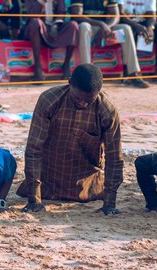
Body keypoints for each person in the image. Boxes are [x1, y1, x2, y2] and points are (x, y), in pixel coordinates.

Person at [19, 64, 123, 215]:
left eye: (89, 100)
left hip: (87, 187)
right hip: (48, 182)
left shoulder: (107, 110)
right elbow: (33, 149)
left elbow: (115, 157)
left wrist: (109, 204)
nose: (83, 104)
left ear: (98, 93)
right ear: (69, 83)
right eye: (77, 98)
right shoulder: (49, 100)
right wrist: (34, 199)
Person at [69, 0, 149, 87]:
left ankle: (133, 73)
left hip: (105, 30)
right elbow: (77, 15)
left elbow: (116, 15)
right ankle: (87, 74)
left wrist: (107, 26)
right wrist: (101, 24)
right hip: (89, 27)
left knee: (126, 28)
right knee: (84, 27)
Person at [23, 0, 79, 82]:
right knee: (35, 23)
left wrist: (55, 26)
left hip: (54, 28)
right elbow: (33, 14)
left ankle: (66, 65)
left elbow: (61, 12)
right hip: (38, 29)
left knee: (73, 25)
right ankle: (38, 67)